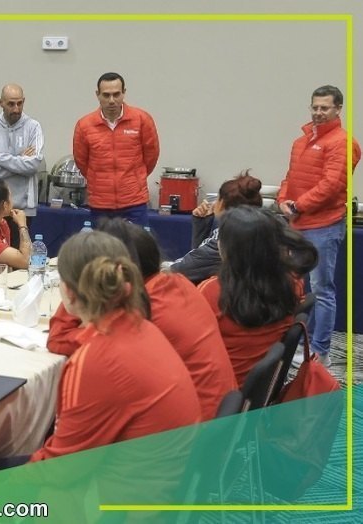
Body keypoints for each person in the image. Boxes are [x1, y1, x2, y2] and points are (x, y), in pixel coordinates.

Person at [0, 232, 199, 514]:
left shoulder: (97, 358)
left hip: (129, 505)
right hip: (168, 486)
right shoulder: (140, 326)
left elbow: (62, 469)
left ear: (68, 291)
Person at [91, 219, 236, 421]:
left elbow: (68, 344)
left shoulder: (144, 310)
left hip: (193, 430)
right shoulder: (179, 284)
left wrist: (78, 291)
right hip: (218, 415)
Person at [277, 85, 361, 366]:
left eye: (324, 108)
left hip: (324, 226)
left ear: (338, 109)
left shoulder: (344, 143)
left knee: (321, 290)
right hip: (297, 225)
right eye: (315, 107)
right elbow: (290, 177)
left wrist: (298, 205)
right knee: (297, 288)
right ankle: (300, 342)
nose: (318, 112)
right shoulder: (300, 142)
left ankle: (320, 351)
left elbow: (332, 184)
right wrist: (282, 199)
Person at [198, 207, 318, 383]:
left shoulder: (211, 292)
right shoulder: (293, 282)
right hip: (260, 389)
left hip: (219, 390)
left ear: (227, 248)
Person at [73, 72, 160, 227]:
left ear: (124, 93)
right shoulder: (84, 125)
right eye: (106, 95)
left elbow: (151, 156)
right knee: (102, 250)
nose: (111, 100)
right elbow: (82, 161)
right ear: (97, 95)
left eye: (116, 94)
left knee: (136, 250)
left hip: (134, 202)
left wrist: (134, 178)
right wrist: (99, 180)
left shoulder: (142, 119)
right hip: (100, 203)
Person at [170, 171, 263, 284]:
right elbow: (199, 262)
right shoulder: (267, 229)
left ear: (222, 203)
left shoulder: (225, 237)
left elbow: (179, 270)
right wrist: (202, 224)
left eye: (217, 199)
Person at [0, 83, 45, 219]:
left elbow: (33, 165)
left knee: (20, 241)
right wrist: (19, 162)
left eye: (19, 103)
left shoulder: (34, 127)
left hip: (22, 209)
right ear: (1, 103)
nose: (16, 109)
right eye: (11, 104)